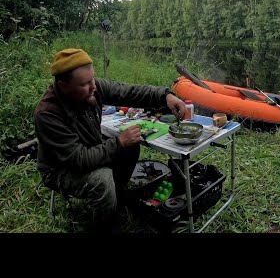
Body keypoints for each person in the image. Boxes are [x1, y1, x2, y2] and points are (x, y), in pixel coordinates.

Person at [34, 48, 186, 233]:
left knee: (130, 147)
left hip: (89, 148)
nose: (93, 87)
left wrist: (165, 96)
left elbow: (129, 92)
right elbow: (78, 160)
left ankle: (117, 197)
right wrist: (118, 142)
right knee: (102, 179)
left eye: (93, 79)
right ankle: (106, 226)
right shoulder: (48, 114)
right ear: (63, 85)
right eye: (85, 84)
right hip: (61, 169)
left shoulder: (92, 87)